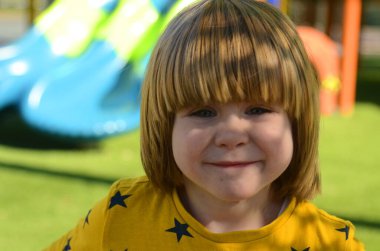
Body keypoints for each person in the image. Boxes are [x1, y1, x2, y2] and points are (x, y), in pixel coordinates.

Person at [45, 0, 365, 250]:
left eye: (257, 109)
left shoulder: (332, 243)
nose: (231, 135)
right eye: (203, 112)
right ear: (165, 125)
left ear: (297, 121)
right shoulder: (119, 216)